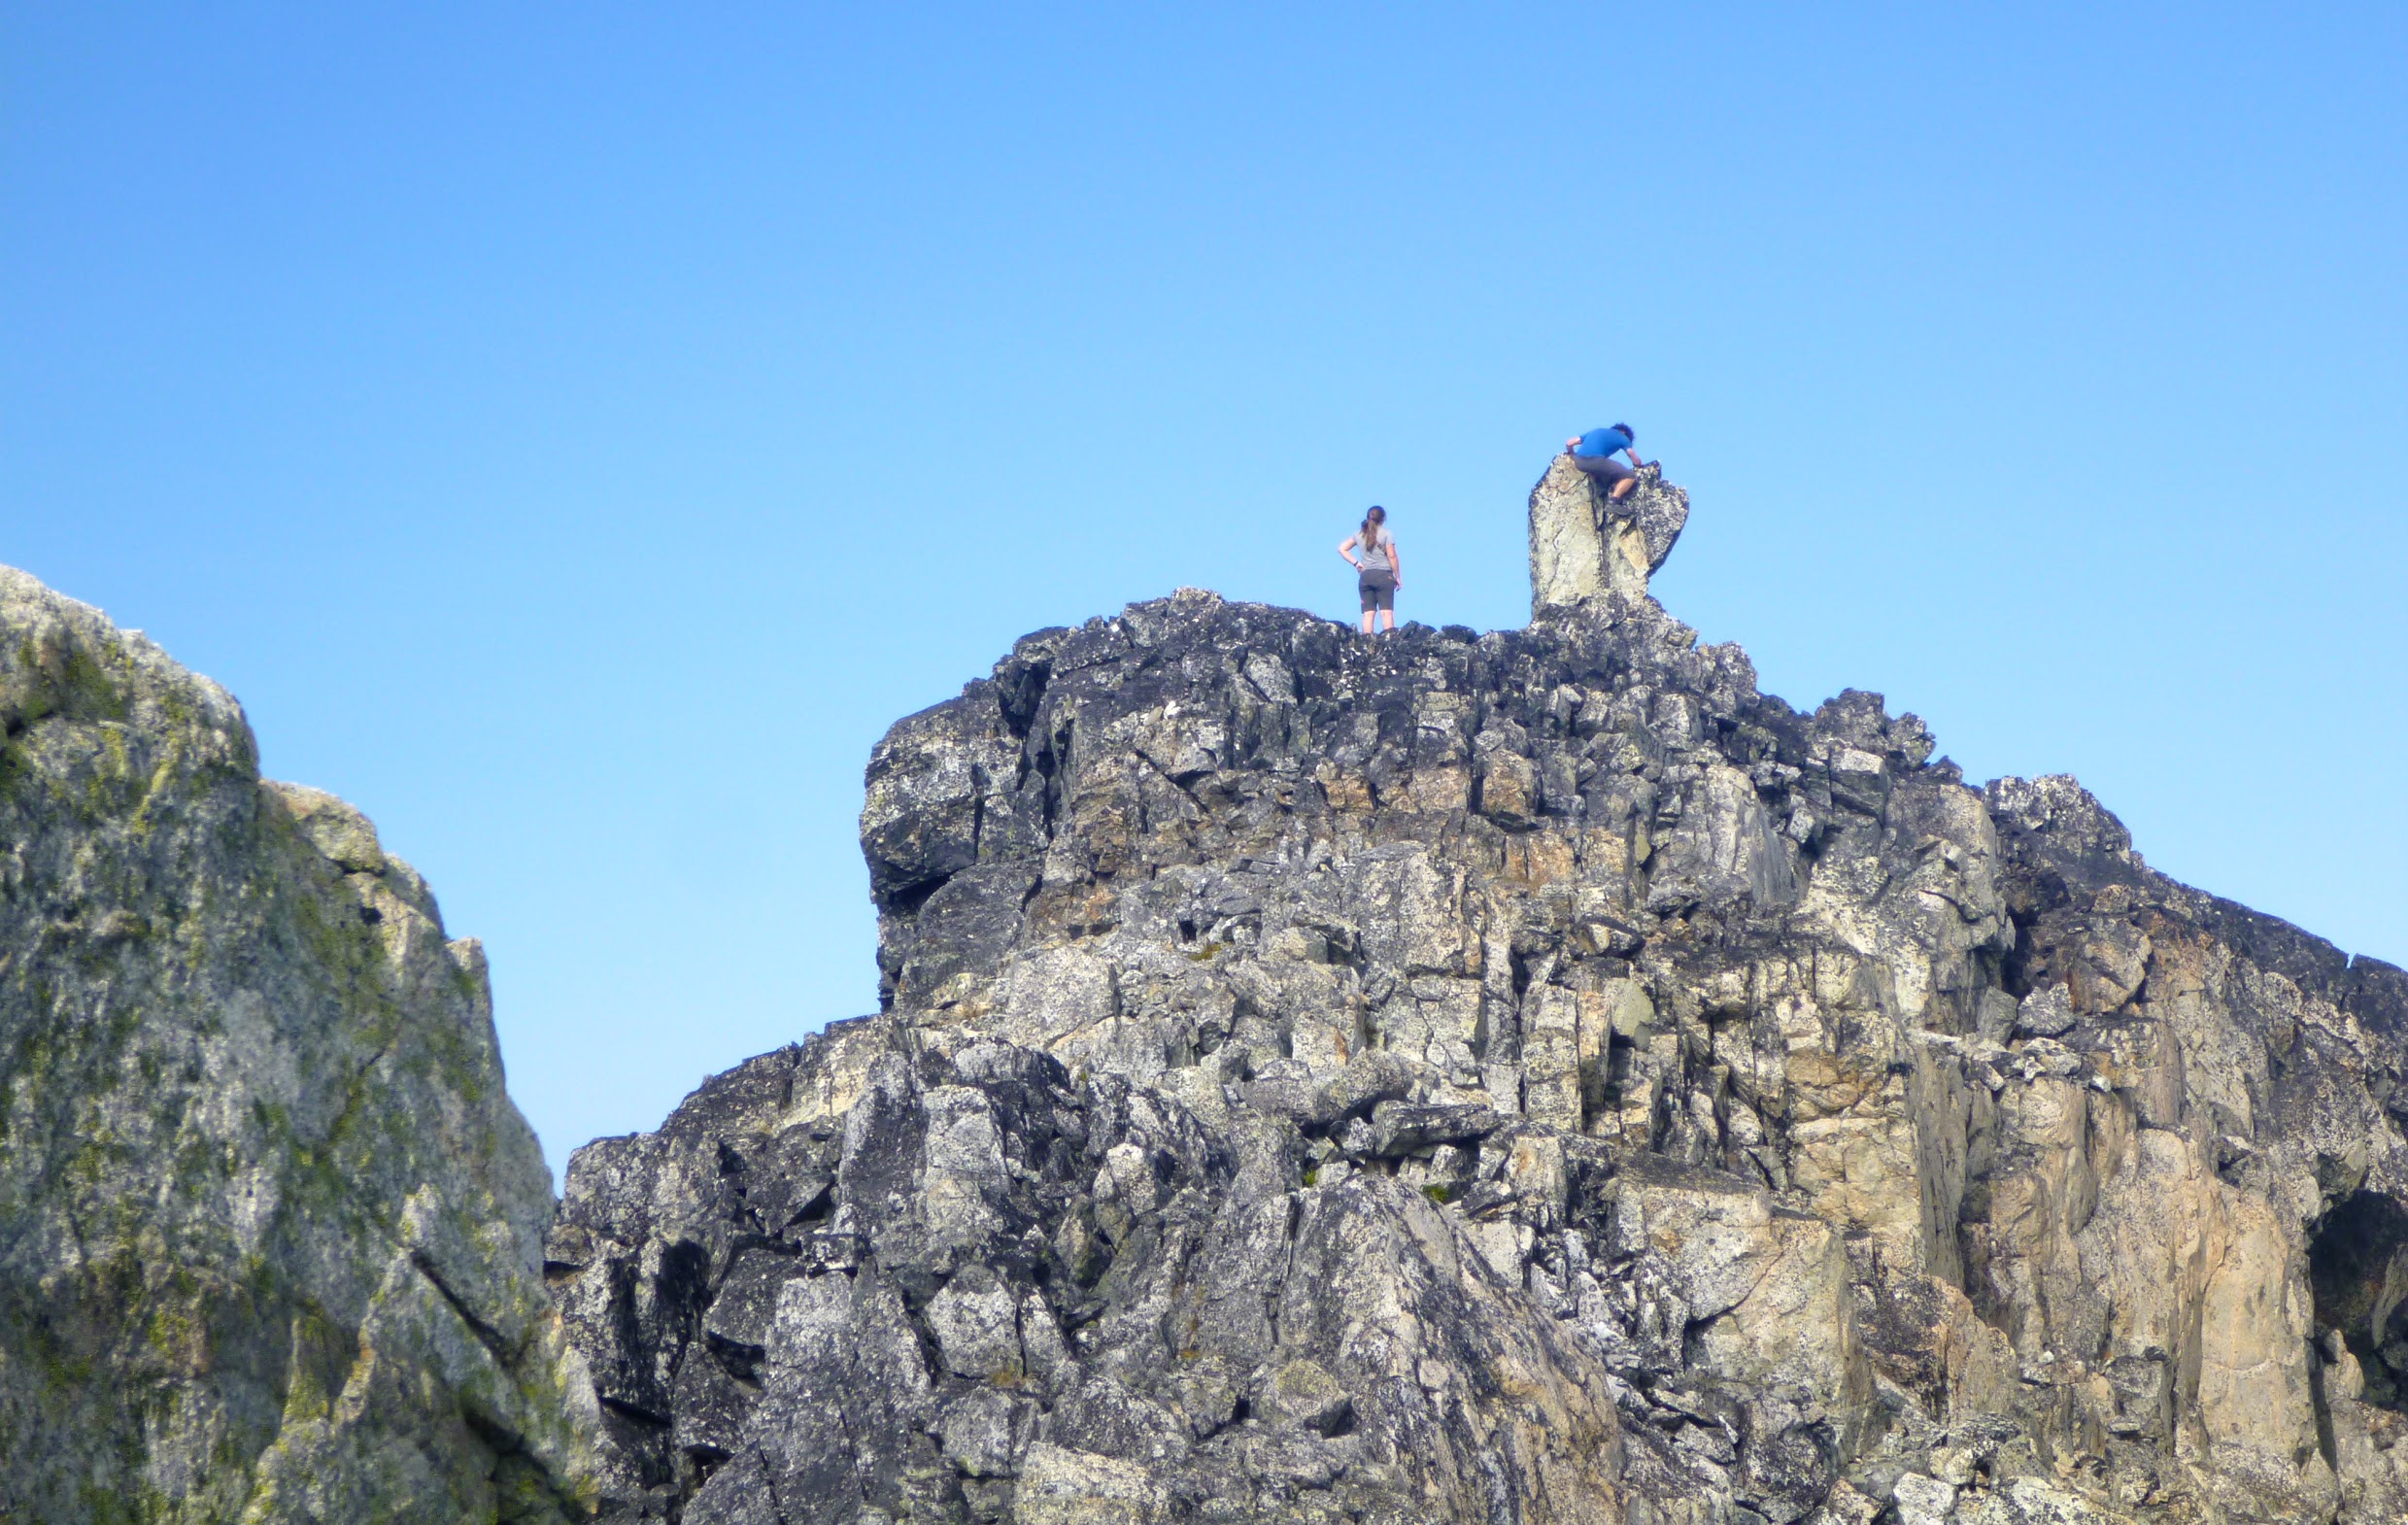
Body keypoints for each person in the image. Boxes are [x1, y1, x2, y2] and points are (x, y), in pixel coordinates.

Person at [1340, 505, 1401, 634]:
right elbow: (1392, 556)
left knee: (1368, 614)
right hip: (1384, 576)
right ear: (1383, 519)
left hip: (1365, 577)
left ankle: (1367, 644)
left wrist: (1356, 563)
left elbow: (1342, 548)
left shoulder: (1359, 534)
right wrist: (1398, 577)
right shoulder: (1386, 534)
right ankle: (1389, 644)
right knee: (1386, 613)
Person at [1566, 423, 1646, 500]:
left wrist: (1572, 454)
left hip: (1579, 462)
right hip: (1596, 461)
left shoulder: (1596, 431)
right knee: (1630, 476)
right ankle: (1614, 501)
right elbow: (1633, 457)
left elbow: (1569, 443)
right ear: (1623, 432)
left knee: (1604, 471)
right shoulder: (1623, 436)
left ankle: (1601, 488)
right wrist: (1639, 464)